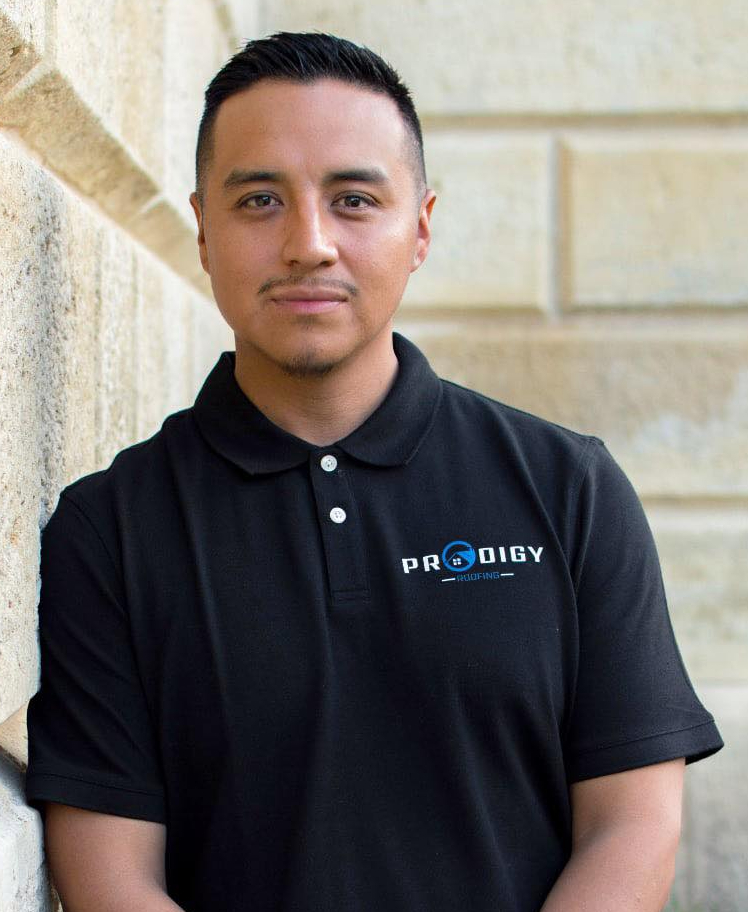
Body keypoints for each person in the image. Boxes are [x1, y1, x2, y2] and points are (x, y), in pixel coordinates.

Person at [24, 30, 723, 912]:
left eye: (353, 199)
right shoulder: (111, 530)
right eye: (260, 201)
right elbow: (109, 875)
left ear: (420, 227)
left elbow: (634, 826)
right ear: (202, 230)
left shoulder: (568, 488)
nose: (309, 243)